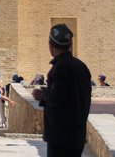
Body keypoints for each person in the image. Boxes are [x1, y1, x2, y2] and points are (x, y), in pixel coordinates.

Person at [32, 24, 92, 157]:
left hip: (60, 135)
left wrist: (42, 95)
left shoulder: (59, 68)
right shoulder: (81, 66)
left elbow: (57, 99)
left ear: (50, 44)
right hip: (77, 134)